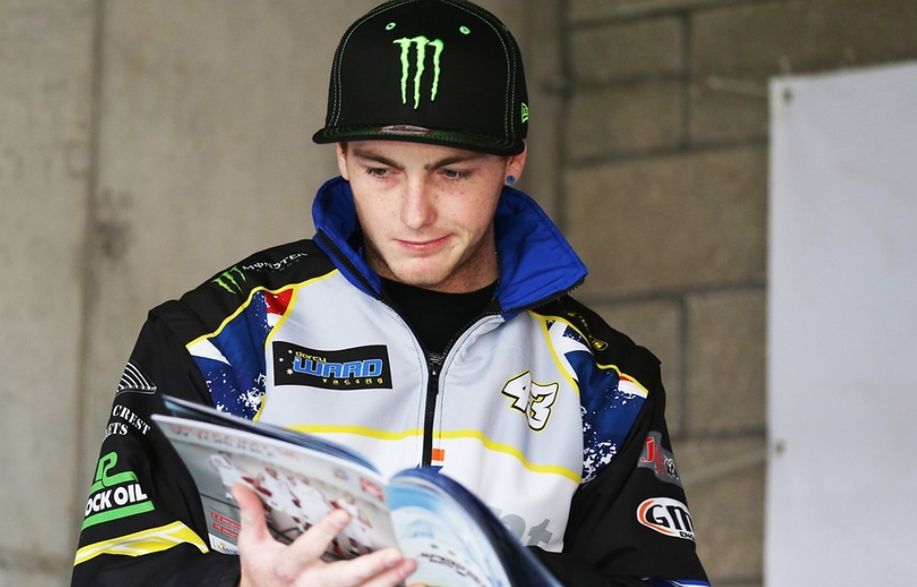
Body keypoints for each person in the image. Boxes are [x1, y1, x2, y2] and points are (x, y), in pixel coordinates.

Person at [71, 1, 709, 585]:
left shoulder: (607, 381)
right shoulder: (219, 335)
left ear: (513, 160)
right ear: (343, 159)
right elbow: (109, 572)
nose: (414, 214)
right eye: (381, 170)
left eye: (452, 173)